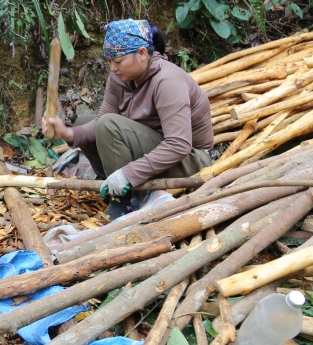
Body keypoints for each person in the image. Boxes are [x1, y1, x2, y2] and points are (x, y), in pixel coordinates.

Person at [42, 19, 213, 220]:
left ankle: (124, 200)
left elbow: (179, 144)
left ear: (141, 54)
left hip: (190, 160)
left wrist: (128, 175)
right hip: (155, 145)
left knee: (109, 126)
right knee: (85, 123)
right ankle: (111, 180)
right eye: (109, 62)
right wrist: (68, 133)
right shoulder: (119, 78)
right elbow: (100, 120)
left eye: (118, 61)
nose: (113, 68)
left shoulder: (167, 82)